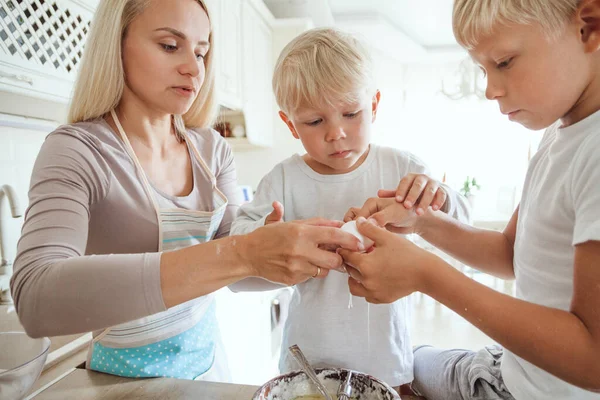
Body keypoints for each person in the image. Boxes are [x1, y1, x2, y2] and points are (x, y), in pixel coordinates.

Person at [10, 0, 363, 382]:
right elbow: (35, 297)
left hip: (209, 371)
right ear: (116, 43)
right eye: (169, 45)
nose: (194, 68)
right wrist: (240, 252)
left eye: (201, 52)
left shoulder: (212, 151)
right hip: (121, 382)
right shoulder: (79, 150)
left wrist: (304, 252)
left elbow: (238, 272)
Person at [339, 0, 600, 399]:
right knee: (405, 363)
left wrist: (426, 275)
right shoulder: (558, 132)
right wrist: (423, 221)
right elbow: (510, 252)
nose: (490, 89)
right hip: (510, 367)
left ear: (590, 25)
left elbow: (592, 359)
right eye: (483, 69)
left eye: (505, 61)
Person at [229, 27, 470, 391]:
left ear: (373, 104)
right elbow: (236, 268)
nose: (336, 133)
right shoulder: (282, 180)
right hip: (308, 365)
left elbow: (464, 227)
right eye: (314, 121)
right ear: (290, 124)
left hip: (387, 362)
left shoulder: (403, 169)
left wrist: (441, 198)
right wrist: (264, 241)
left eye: (351, 113)